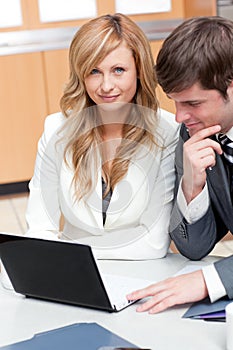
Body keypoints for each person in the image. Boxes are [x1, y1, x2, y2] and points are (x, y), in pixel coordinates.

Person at [25, 13, 179, 260]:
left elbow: (153, 243)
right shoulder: (56, 130)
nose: (106, 86)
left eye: (118, 70)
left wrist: (73, 252)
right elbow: (40, 228)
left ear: (139, 70)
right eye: (94, 71)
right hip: (75, 275)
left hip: (143, 273)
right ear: (81, 74)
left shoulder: (168, 132)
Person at [127, 16, 233, 312]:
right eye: (175, 102)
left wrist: (209, 281)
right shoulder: (192, 134)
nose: (178, 117)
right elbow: (193, 248)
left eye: (193, 103)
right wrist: (192, 185)